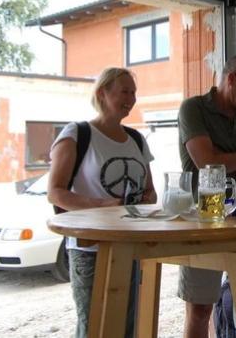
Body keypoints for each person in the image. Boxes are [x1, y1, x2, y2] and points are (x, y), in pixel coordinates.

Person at [47, 67, 156, 338]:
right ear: (102, 93)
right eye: (124, 91)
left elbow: (151, 192)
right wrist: (103, 206)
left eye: (134, 92)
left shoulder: (136, 139)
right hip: (90, 249)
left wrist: (145, 199)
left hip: (129, 245)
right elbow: (55, 193)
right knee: (94, 328)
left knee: (127, 328)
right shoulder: (77, 133)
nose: (131, 99)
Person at [177, 53, 236, 338]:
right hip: (202, 220)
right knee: (200, 310)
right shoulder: (193, 108)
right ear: (231, 79)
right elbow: (207, 164)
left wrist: (223, 159)